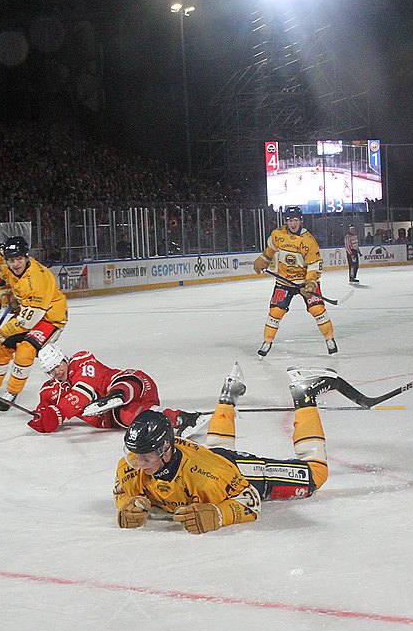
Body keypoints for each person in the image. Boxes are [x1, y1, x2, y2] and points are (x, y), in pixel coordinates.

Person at [113, 363, 336, 534]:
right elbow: (122, 492)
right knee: (215, 449)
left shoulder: (209, 475)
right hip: (208, 462)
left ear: (165, 449)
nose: (138, 464)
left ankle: (305, 395)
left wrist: (220, 515)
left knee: (316, 474)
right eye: (134, 456)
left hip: (236, 471)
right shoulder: (130, 465)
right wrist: (126, 505)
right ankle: (228, 395)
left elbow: (250, 501)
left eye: (147, 457)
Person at [0, 235, 67, 411]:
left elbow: (27, 321)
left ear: (26, 257)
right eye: (11, 260)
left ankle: (11, 392)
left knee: (25, 350)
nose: (16, 264)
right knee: (2, 347)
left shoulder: (38, 279)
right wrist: (4, 290)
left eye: (19, 259)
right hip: (26, 311)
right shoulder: (5, 263)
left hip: (49, 317)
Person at [27, 344, 199, 435]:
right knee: (127, 414)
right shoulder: (50, 390)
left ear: (64, 359)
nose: (57, 371)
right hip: (113, 417)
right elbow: (46, 410)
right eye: (51, 370)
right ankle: (181, 419)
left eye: (58, 365)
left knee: (122, 385)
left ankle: (117, 395)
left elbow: (82, 394)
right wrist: (42, 418)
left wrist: (59, 412)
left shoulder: (82, 360)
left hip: (137, 386)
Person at [251, 205, 336, 357]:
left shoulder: (308, 241)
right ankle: (267, 341)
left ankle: (329, 339)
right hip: (284, 282)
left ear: (301, 220)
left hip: (305, 283)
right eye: (290, 220)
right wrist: (263, 259)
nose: (293, 223)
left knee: (317, 310)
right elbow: (270, 251)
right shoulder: (278, 235)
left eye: (296, 219)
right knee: (276, 311)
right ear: (286, 221)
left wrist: (310, 283)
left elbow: (314, 265)